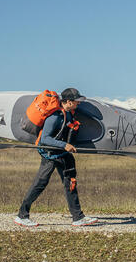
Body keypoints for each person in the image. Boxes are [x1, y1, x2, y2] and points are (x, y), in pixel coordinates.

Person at [14, 87, 98, 227]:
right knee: (39, 184)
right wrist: (64, 145)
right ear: (69, 102)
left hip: (63, 155)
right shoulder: (55, 117)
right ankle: (22, 215)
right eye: (77, 101)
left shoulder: (69, 113)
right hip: (50, 156)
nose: (79, 103)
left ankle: (78, 217)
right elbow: (45, 139)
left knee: (70, 184)